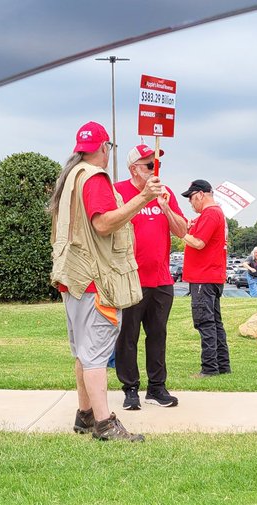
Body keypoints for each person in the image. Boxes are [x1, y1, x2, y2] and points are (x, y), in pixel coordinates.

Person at [50, 121, 161, 441]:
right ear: (104, 149)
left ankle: (84, 416)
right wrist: (142, 199)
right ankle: (104, 424)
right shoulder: (95, 178)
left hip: (74, 278)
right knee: (96, 355)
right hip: (96, 280)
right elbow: (102, 224)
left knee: (84, 353)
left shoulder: (71, 176)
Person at [112, 144, 186, 410]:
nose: (156, 170)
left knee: (158, 335)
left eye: (158, 165)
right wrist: (143, 198)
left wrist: (165, 207)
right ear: (134, 168)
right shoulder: (119, 191)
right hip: (130, 278)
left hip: (161, 279)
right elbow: (108, 225)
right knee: (127, 337)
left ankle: (157, 388)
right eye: (150, 165)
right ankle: (130, 389)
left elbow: (182, 231)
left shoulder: (165, 193)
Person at [182, 179, 231, 377]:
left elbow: (199, 243)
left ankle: (210, 368)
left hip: (204, 276)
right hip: (213, 276)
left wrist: (180, 233)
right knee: (215, 322)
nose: (191, 203)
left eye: (192, 198)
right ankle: (222, 365)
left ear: (201, 194)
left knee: (205, 323)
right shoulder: (215, 213)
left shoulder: (210, 213)